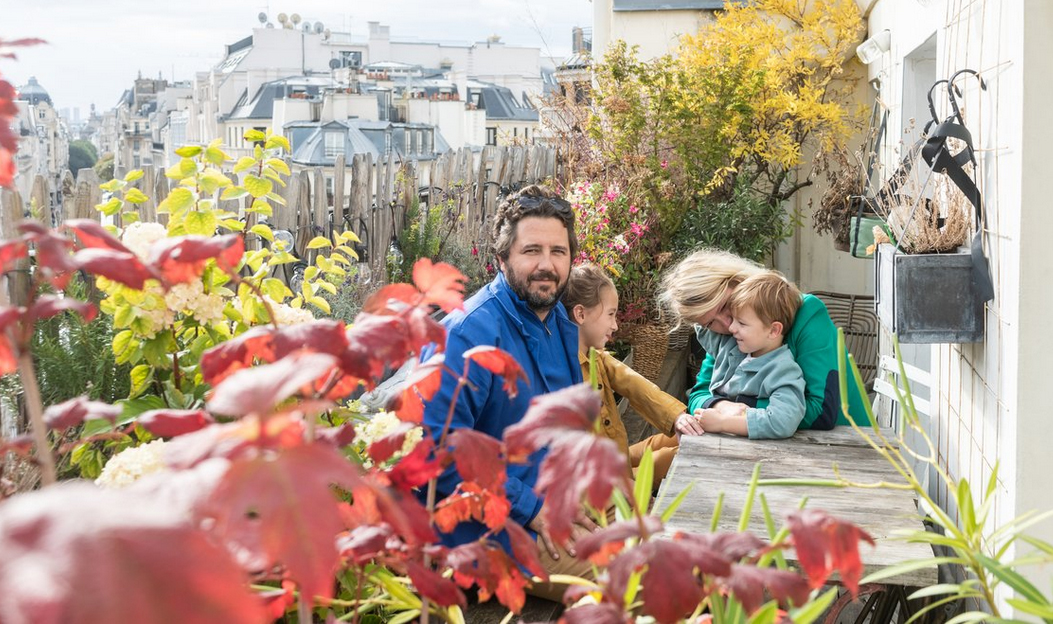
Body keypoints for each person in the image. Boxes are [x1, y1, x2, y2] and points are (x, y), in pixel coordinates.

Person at [419, 184, 594, 598]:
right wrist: (531, 509)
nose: (546, 265)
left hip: (553, 505)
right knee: (635, 587)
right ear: (501, 259)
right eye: (531, 251)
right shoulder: (467, 336)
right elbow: (435, 451)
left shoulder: (557, 323)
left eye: (558, 252)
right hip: (490, 533)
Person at [658, 248, 869, 431]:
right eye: (710, 323)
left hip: (846, 447)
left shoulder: (807, 313)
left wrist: (737, 412)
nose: (727, 325)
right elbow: (698, 394)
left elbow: (823, 410)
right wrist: (721, 406)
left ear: (737, 280)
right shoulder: (725, 334)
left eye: (724, 306)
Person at [561, 264, 704, 489]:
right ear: (580, 314)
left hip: (618, 460)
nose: (615, 325)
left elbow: (633, 383)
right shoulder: (566, 373)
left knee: (689, 432)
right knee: (683, 454)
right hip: (607, 485)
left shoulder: (594, 355)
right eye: (610, 314)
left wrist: (677, 416)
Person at [692, 271, 806, 438]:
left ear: (774, 330)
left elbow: (783, 421)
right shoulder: (738, 348)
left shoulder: (781, 369)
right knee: (648, 449)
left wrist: (723, 422)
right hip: (705, 435)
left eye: (742, 323)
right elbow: (701, 328)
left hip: (733, 450)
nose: (731, 328)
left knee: (657, 458)